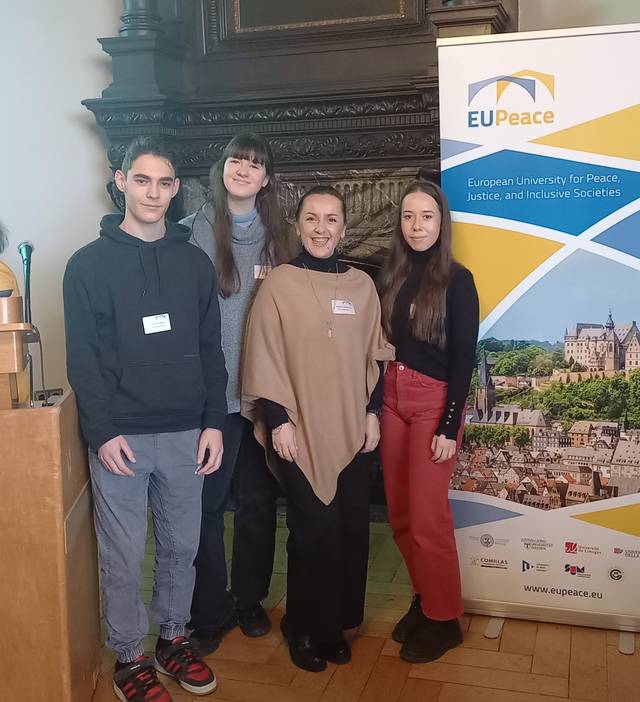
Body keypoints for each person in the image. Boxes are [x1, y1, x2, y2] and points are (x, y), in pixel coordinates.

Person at [63, 137, 227, 702]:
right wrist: (101, 430)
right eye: (142, 180)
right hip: (122, 440)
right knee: (125, 552)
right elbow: (81, 357)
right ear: (121, 181)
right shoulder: (86, 265)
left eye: (163, 182)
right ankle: (129, 655)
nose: (153, 192)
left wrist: (214, 421)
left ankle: (173, 640)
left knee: (183, 546)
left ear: (175, 188)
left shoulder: (194, 262)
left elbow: (211, 347)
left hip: (187, 431)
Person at [241, 186, 394, 672]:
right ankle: (303, 627)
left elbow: (377, 357)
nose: (322, 228)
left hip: (353, 429)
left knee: (350, 531)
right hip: (299, 429)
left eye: (331, 220)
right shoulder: (279, 285)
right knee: (313, 531)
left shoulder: (361, 286)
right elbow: (263, 356)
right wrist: (279, 421)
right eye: (312, 219)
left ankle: (335, 627)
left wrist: (373, 415)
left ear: (343, 229)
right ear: (299, 225)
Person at [182, 133, 295, 654]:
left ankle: (249, 600)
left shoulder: (284, 239)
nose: (244, 170)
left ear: (267, 178)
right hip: (214, 401)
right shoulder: (191, 234)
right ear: (222, 169)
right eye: (236, 161)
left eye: (255, 164)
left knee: (256, 505)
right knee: (206, 507)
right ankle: (210, 608)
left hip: (266, 397)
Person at [378, 179, 479, 663]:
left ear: (442, 223)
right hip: (393, 399)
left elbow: (464, 359)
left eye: (427, 216)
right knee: (400, 516)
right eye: (409, 216)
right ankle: (424, 599)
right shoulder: (391, 275)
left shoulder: (458, 280)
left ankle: (445, 621)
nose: (417, 226)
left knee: (427, 518)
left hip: (433, 404)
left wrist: (448, 424)